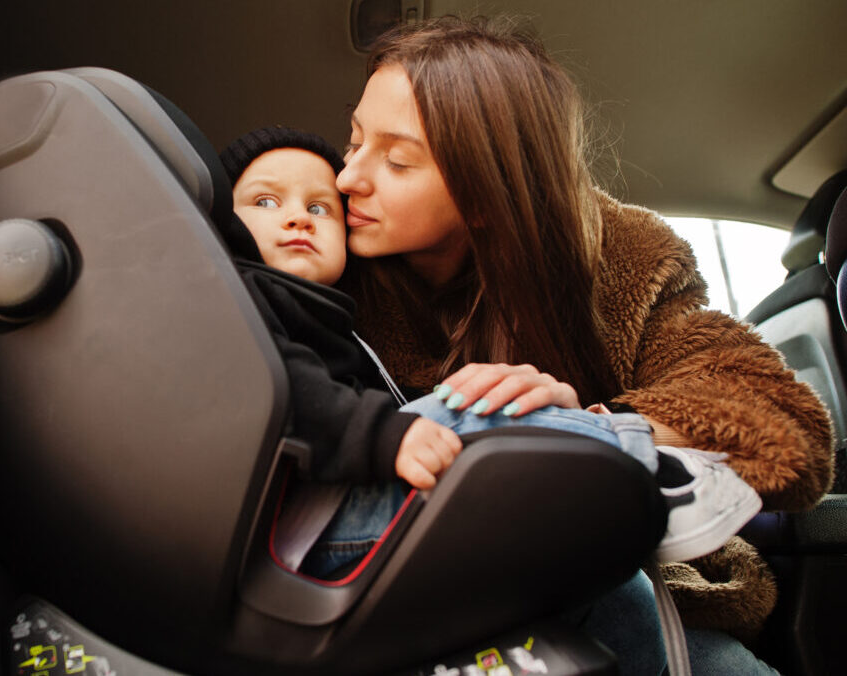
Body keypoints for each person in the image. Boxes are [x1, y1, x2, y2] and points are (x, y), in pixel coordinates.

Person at [328, 14, 833, 675]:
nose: (347, 179)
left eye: (396, 160)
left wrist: (581, 427)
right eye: (354, 140)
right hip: (399, 605)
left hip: (618, 595)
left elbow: (784, 427)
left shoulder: (625, 258)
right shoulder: (320, 256)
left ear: (485, 190)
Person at [219, 125, 762, 569]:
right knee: (467, 411)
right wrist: (388, 433)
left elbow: (763, 408)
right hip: (295, 529)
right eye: (266, 201)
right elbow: (280, 383)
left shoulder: (332, 307)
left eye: (320, 209)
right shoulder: (237, 296)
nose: (347, 179)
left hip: (344, 513)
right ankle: (631, 475)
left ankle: (623, 467)